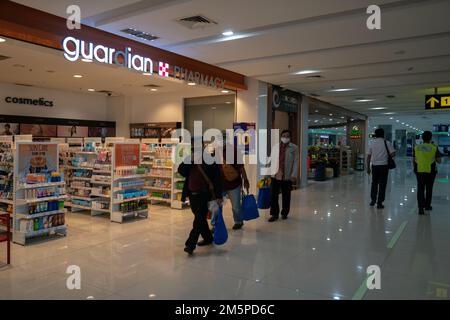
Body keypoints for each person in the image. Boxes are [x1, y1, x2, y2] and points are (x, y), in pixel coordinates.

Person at [178, 138, 223, 255]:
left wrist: (218, 195)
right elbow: (181, 171)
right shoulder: (190, 158)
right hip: (192, 195)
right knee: (200, 218)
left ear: (203, 146)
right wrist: (190, 160)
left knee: (198, 219)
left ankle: (190, 244)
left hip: (204, 194)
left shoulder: (210, 159)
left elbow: (217, 178)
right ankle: (208, 238)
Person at [218, 133, 250, 230]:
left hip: (234, 184)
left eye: (223, 139)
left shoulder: (234, 150)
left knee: (236, 205)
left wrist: (246, 180)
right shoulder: (216, 151)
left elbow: (241, 167)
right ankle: (216, 224)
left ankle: (238, 221)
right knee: (217, 205)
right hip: (220, 184)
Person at [269, 129, 299, 222]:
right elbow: (271, 159)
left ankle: (284, 213)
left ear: (290, 138)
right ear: (281, 137)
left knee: (286, 195)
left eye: (287, 136)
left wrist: (294, 175)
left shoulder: (294, 148)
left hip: (287, 175)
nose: (285, 137)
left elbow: (296, 162)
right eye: (284, 136)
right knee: (273, 195)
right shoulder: (275, 147)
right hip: (275, 174)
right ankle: (274, 214)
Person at [413, 131, 441, 215]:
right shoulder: (434, 147)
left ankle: (420, 208)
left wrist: (415, 168)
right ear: (430, 138)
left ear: (422, 138)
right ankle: (427, 206)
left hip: (419, 170)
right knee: (429, 188)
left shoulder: (417, 147)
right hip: (431, 171)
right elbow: (439, 161)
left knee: (420, 189)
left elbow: (413, 159)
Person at [367, 128, 396, 209]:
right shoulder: (387, 143)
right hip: (384, 166)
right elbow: (393, 154)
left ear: (375, 135)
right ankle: (379, 203)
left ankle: (373, 200)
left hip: (374, 166)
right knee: (382, 185)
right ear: (383, 134)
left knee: (374, 183)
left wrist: (368, 168)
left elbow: (368, 156)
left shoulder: (372, 143)